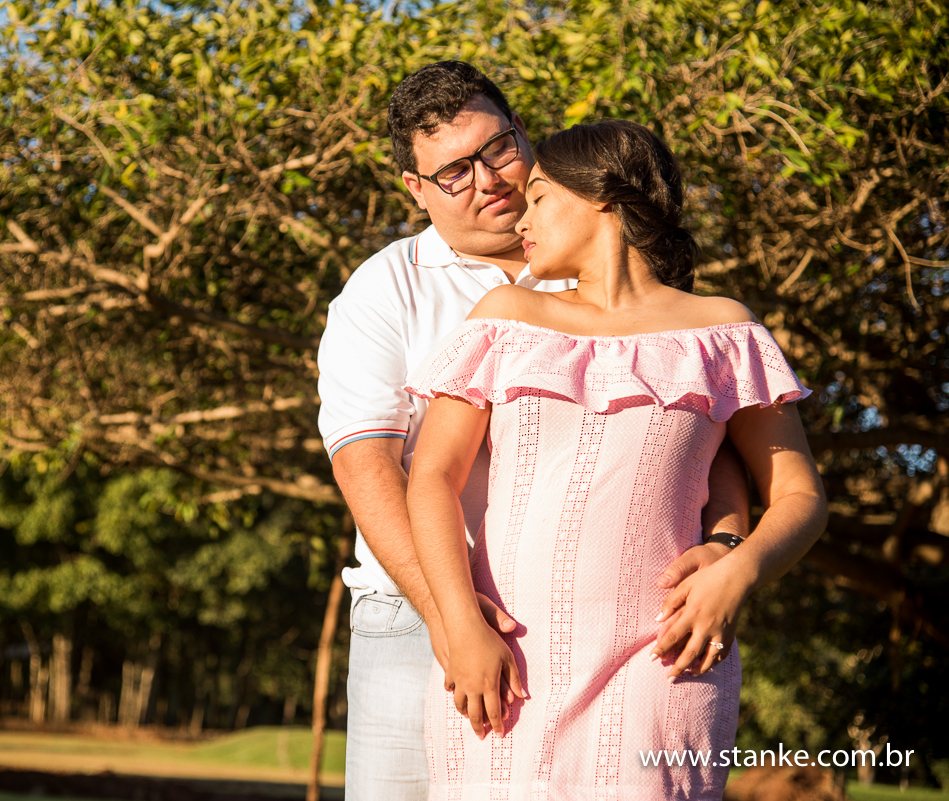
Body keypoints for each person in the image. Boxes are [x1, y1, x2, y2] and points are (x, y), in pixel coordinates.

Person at [317, 62, 753, 799]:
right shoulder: (382, 289)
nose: (487, 180)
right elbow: (369, 467)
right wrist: (449, 616)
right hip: (416, 606)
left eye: (497, 149)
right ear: (415, 191)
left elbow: (704, 442)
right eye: (453, 172)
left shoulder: (599, 264)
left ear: (524, 135)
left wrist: (730, 546)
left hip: (598, 619)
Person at [405, 119, 828, 798]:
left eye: (539, 197)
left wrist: (740, 564)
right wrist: (457, 623)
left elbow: (802, 497)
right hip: (505, 664)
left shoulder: (723, 331)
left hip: (665, 661)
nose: (522, 219)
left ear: (602, 196)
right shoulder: (505, 314)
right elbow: (430, 479)